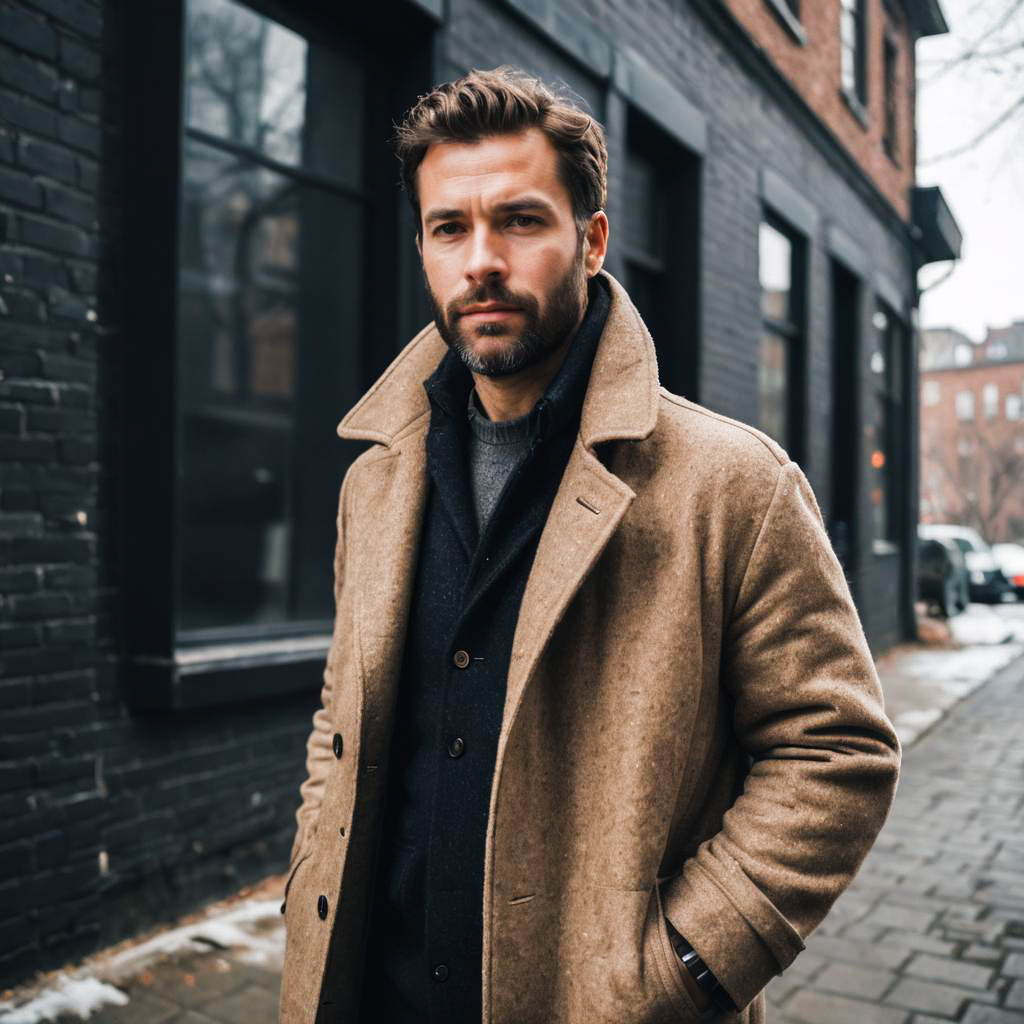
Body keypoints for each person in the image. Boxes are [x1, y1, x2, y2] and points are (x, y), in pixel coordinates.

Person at [278, 66, 900, 1024]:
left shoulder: (733, 483)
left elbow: (837, 750)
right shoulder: (376, 478)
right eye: (450, 228)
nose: (481, 260)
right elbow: (341, 723)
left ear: (591, 239)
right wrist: (306, 887)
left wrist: (684, 965)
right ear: (424, 248)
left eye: (520, 221)